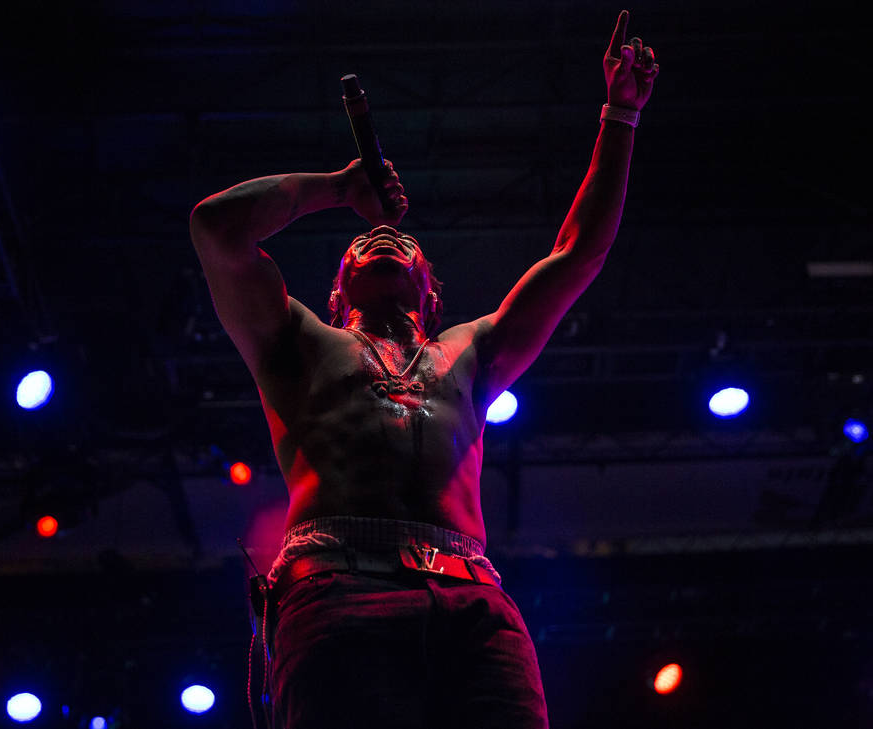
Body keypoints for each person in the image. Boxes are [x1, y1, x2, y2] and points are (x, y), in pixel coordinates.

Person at [189, 10, 657, 729]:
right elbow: (217, 226)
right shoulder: (296, 341)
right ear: (337, 292)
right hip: (339, 587)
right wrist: (339, 187)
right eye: (359, 242)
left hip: (474, 600)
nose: (381, 235)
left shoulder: (471, 352)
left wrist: (619, 115)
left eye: (400, 242)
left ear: (432, 294)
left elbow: (577, 256)